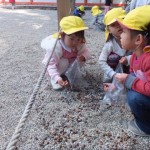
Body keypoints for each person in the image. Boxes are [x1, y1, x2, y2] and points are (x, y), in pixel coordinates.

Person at [114, 5, 150, 136]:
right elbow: (135, 75)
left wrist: (129, 81)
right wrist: (116, 86)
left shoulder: (148, 59)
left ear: (138, 39)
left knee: (134, 98)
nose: (120, 35)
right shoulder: (136, 55)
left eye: (123, 31)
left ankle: (146, 127)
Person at [41, 16, 91, 90]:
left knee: (79, 59)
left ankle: (69, 74)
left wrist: (83, 57)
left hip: (69, 66)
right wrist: (57, 78)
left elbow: (87, 52)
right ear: (62, 35)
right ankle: (55, 79)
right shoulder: (56, 47)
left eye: (78, 39)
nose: (75, 42)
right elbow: (50, 65)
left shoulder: (79, 44)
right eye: (71, 39)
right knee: (64, 62)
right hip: (58, 68)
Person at [99, 7, 132, 84]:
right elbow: (101, 61)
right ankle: (109, 82)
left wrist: (128, 59)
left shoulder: (133, 40)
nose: (118, 26)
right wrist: (113, 74)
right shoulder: (110, 44)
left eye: (120, 22)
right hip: (113, 73)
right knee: (113, 57)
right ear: (109, 30)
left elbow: (138, 55)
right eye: (113, 25)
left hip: (129, 70)